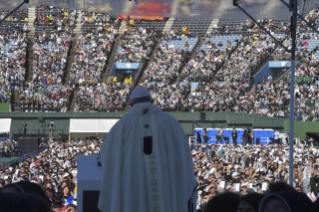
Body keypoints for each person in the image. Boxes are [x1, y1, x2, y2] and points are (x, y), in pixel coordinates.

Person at [98, 87, 197, 212]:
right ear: (152, 102)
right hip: (165, 193)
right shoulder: (170, 123)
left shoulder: (120, 127)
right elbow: (184, 159)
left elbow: (107, 160)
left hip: (132, 192)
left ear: (131, 104)